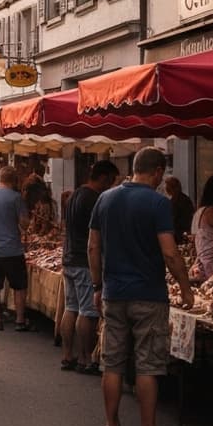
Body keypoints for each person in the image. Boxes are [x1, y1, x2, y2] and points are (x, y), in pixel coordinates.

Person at [88, 147, 193, 426]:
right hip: (148, 295)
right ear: (158, 172)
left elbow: (93, 247)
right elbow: (170, 252)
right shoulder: (158, 203)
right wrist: (185, 288)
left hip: (114, 293)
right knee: (148, 365)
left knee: (113, 362)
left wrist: (97, 285)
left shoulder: (105, 199)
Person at [59, 160, 119, 374]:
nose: (112, 185)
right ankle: (85, 358)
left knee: (71, 307)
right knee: (87, 311)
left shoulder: (75, 194)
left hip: (69, 258)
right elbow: (98, 235)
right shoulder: (94, 199)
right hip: (84, 261)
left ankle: (67, 355)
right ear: (103, 177)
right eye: (112, 180)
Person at [0, 166, 32, 331]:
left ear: (0, 178)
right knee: (19, 285)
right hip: (13, 249)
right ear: (14, 180)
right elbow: (24, 223)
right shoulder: (16, 198)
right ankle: (20, 319)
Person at [164, 176, 195, 244]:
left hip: (180, 235)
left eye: (167, 188)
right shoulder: (184, 199)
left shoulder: (178, 201)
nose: (166, 190)